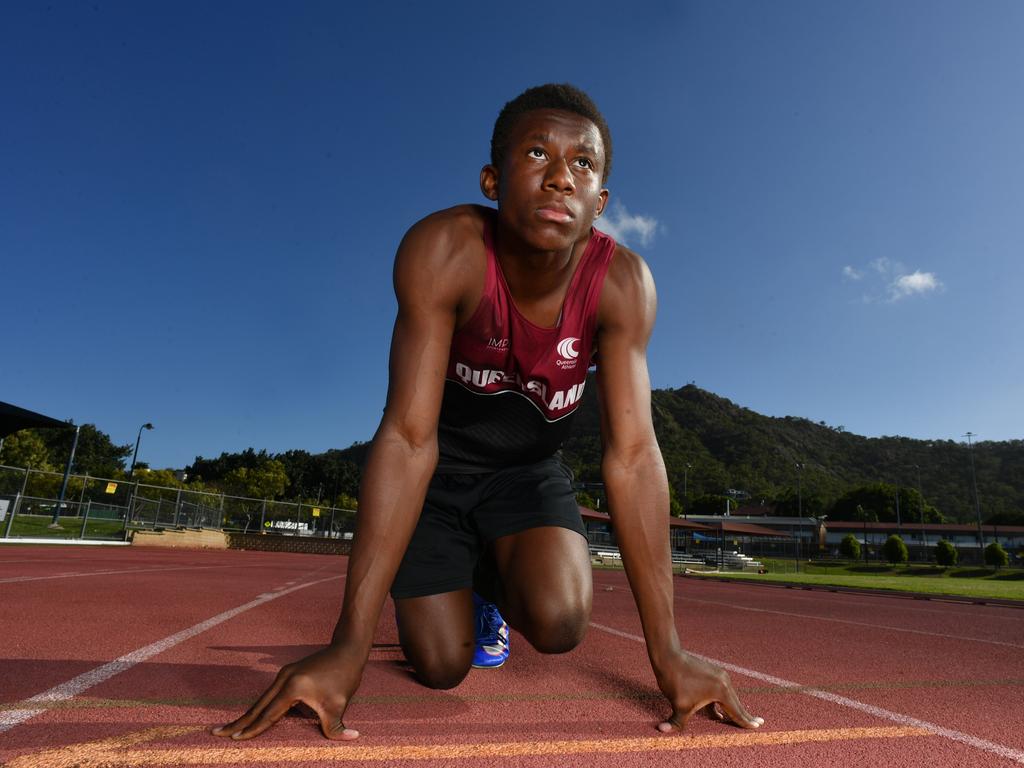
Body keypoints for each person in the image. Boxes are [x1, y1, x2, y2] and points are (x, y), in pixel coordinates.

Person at [214, 83, 763, 741]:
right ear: (493, 180)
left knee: (561, 623)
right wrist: (348, 647)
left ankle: (494, 575)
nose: (561, 176)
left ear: (600, 202)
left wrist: (668, 652)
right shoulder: (445, 251)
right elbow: (408, 435)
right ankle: (462, 586)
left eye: (582, 164)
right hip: (439, 472)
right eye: (538, 153)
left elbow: (635, 455)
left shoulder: (622, 285)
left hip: (527, 473)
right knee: (441, 665)